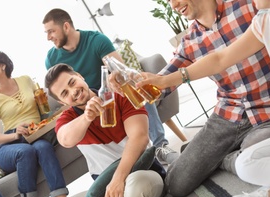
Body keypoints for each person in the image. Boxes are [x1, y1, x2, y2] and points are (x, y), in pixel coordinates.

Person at [133, 0, 270, 197]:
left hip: (269, 109)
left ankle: (227, 160)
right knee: (176, 184)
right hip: (228, 115)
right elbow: (162, 84)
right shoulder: (190, 42)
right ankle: (224, 156)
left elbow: (220, 59)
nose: (173, 5)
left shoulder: (253, 6)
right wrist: (135, 83)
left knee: (253, 153)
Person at [38, 63, 165, 197]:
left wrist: (118, 179)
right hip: (105, 194)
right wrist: (87, 117)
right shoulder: (69, 118)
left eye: (72, 82)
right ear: (63, 102)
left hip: (144, 176)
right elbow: (65, 139)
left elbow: (139, 137)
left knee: (137, 182)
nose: (74, 92)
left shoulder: (119, 94)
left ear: (80, 76)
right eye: (65, 93)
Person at [42, 8, 178, 165]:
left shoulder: (96, 40)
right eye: (46, 33)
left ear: (66, 26)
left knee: (135, 88)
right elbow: (60, 90)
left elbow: (119, 70)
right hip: (83, 106)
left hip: (109, 94)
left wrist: (114, 79)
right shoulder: (51, 58)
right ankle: (109, 169)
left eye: (51, 31)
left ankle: (160, 146)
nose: (48, 37)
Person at [0, 49, 69, 197]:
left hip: (35, 135)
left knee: (43, 147)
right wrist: (15, 134)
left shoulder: (26, 80)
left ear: (2, 65)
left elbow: (43, 106)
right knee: (25, 152)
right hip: (8, 147)